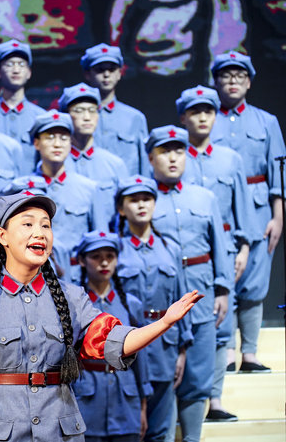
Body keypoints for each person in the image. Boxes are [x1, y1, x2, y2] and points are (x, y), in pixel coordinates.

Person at [0, 191, 201, 442]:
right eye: (28, 224)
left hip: (61, 432)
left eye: (46, 225)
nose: (40, 233)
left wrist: (163, 323)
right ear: (3, 236)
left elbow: (113, 340)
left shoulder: (72, 297)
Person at [146, 126, 233, 442]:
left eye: (179, 151)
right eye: (165, 151)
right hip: (163, 298)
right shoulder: (143, 198)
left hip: (201, 294)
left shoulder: (204, 196)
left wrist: (222, 290)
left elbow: (220, 247)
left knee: (197, 378)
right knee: (166, 378)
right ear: (151, 157)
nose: (173, 158)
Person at [176, 85, 256, 422]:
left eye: (208, 111)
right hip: (185, 252)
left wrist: (245, 246)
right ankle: (183, 403)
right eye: (195, 112)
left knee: (221, 325)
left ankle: (216, 400)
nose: (203, 117)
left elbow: (242, 208)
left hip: (222, 249)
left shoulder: (230, 158)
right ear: (184, 117)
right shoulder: (173, 154)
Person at [210, 51, 285, 374]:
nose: (233, 81)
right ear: (216, 81)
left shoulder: (266, 121)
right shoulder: (207, 118)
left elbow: (278, 173)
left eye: (239, 76)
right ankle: (226, 351)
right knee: (225, 280)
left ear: (249, 81)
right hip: (219, 208)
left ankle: (250, 353)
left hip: (256, 209)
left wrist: (278, 215)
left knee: (254, 284)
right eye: (226, 76)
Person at [114, 175, 192, 442]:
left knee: (160, 429)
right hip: (128, 343)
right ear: (121, 209)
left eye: (146, 199)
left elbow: (182, 299)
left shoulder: (169, 247)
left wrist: (182, 349)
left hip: (164, 347)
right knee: (128, 426)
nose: (141, 205)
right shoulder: (114, 249)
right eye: (133, 200)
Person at [4, 110, 109, 281]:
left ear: (71, 142)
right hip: (31, 275)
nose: (57, 143)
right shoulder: (21, 188)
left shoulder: (89, 189)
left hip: (76, 277)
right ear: (37, 143)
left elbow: (100, 242)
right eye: (50, 137)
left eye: (64, 137)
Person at [73, 231, 151, 442]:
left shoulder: (130, 304)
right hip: (87, 397)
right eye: (96, 256)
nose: (104, 262)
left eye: (110, 256)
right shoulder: (74, 304)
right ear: (82, 260)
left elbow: (140, 359)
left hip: (125, 399)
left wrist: (142, 406)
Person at [80, 43, 149, 175]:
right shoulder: (75, 117)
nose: (106, 74)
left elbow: (144, 165)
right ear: (87, 74)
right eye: (99, 69)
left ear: (119, 73)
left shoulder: (134, 118)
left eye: (112, 69)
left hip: (126, 191)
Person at [59, 82, 129, 195]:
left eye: (92, 110)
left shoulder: (114, 164)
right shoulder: (55, 164)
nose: (87, 117)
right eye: (79, 110)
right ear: (65, 115)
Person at [0, 39, 46, 174]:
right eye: (9, 64)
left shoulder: (40, 117)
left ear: (29, 73)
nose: (16, 70)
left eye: (21, 64)